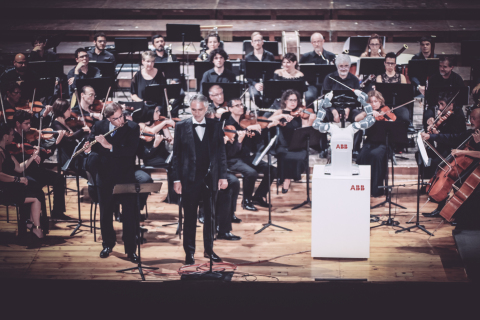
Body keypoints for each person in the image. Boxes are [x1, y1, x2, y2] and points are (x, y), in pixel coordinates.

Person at [171, 94, 228, 265]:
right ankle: (189, 253)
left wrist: (223, 176)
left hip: (210, 178)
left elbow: (221, 154)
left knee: (210, 217)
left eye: (200, 110)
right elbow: (177, 156)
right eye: (193, 110)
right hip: (189, 179)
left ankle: (209, 250)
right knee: (189, 218)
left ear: (206, 109)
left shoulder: (215, 126)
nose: (196, 113)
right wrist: (176, 180)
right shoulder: (181, 126)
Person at [83, 103, 141, 262]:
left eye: (121, 115)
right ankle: (108, 244)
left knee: (129, 214)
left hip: (125, 176)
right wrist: (88, 149)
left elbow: (130, 151)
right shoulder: (99, 125)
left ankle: (131, 250)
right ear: (108, 118)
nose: (121, 120)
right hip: (105, 175)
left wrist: (108, 146)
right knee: (106, 212)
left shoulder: (132, 127)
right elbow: (93, 146)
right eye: (116, 118)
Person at [420, 108, 480, 222]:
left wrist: (462, 152)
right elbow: (453, 138)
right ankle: (442, 209)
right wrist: (430, 137)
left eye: (474, 118)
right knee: (447, 173)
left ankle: (459, 214)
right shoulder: (472, 133)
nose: (471, 120)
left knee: (459, 181)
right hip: (467, 165)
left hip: (475, 168)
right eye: (470, 117)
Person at [12, 110, 69, 220]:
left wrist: (53, 145)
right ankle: (35, 219)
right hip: (24, 172)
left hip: (34, 170)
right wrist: (33, 155)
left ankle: (57, 212)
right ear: (18, 123)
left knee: (59, 179)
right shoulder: (13, 139)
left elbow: (42, 156)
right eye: (26, 123)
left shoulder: (28, 136)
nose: (30, 126)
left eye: (30, 123)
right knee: (37, 187)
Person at [225, 98, 278, 209]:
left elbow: (256, 140)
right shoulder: (228, 125)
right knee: (251, 173)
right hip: (232, 159)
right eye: (237, 105)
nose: (241, 107)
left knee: (272, 170)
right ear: (230, 109)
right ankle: (246, 201)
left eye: (241, 105)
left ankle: (259, 196)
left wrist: (268, 127)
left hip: (246, 157)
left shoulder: (246, 122)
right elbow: (231, 151)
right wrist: (242, 136)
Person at [0, 122, 45, 239]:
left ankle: (30, 223)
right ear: (5, 136)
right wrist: (17, 180)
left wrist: (32, 157)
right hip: (4, 190)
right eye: (11, 134)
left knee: (37, 189)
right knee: (36, 197)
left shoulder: (6, 152)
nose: (13, 137)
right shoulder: (0, 153)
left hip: (11, 186)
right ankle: (36, 228)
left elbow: (20, 168)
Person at [269, 89, 315, 193]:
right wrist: (280, 118)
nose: (293, 102)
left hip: (297, 144)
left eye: (295, 100)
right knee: (285, 154)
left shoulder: (300, 113)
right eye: (291, 100)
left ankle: (287, 178)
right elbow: (268, 122)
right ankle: (286, 179)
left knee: (301, 154)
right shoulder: (280, 112)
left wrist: (311, 120)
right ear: (285, 101)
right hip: (283, 144)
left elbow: (305, 130)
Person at [356, 90, 393, 197]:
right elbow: (356, 119)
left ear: (381, 102)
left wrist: (385, 117)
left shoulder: (386, 110)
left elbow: (392, 122)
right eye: (371, 102)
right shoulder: (367, 113)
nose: (373, 104)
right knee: (361, 156)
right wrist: (367, 113)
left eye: (376, 101)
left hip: (384, 143)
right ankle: (363, 188)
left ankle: (376, 189)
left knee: (376, 156)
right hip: (370, 142)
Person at [51, 98, 91, 167]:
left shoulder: (66, 123)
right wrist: (82, 130)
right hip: (68, 158)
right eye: (69, 109)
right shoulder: (56, 124)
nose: (71, 110)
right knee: (92, 161)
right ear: (62, 110)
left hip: (75, 154)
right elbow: (69, 139)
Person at [299, 32, 336, 106]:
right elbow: (299, 71)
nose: (316, 44)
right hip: (311, 84)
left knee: (329, 98)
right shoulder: (306, 57)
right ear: (311, 43)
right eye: (314, 42)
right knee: (309, 96)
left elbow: (335, 71)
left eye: (318, 41)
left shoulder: (331, 56)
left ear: (323, 41)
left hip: (326, 84)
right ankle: (311, 114)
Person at [245, 32, 275, 107]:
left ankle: (266, 111)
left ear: (262, 42)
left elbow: (274, 72)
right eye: (255, 41)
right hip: (254, 83)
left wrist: (265, 84)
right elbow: (247, 75)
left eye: (259, 40)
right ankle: (262, 111)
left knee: (271, 95)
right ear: (252, 43)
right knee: (254, 95)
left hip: (268, 83)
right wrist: (255, 84)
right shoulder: (248, 58)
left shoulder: (270, 56)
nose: (257, 43)